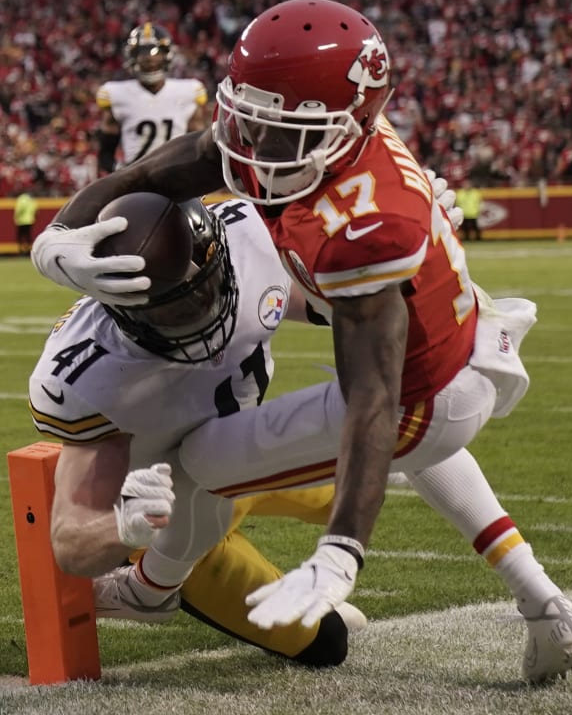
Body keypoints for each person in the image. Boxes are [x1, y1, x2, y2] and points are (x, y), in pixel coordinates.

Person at [32, 0, 572, 684]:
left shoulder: (309, 228)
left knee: (211, 463)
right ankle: (541, 600)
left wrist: (341, 553)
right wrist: (55, 236)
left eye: (281, 130)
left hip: (407, 394)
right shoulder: (87, 372)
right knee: (225, 503)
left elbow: (375, 401)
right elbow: (66, 537)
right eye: (252, 120)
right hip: (184, 501)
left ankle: (152, 590)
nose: (254, 147)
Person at [30, 192, 375, 666]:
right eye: (171, 310)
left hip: (244, 455)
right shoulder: (90, 379)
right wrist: (125, 527)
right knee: (325, 641)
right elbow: (70, 540)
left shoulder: (247, 238)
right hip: (174, 520)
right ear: (122, 310)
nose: (198, 314)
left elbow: (294, 296)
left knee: (355, 486)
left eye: (202, 291)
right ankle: (150, 585)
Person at [95, 23, 208, 176]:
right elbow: (106, 153)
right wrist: (119, 175)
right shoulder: (117, 94)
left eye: (156, 52)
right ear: (133, 57)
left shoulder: (189, 91)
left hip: (177, 176)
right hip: (136, 178)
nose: (149, 59)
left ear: (167, 54)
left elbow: (200, 147)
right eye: (143, 53)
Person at [13, 190, 37, 254]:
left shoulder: (21, 199)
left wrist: (16, 217)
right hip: (30, 220)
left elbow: (19, 209)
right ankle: (29, 250)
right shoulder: (31, 199)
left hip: (21, 221)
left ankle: (21, 250)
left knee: (20, 236)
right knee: (28, 236)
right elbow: (35, 209)